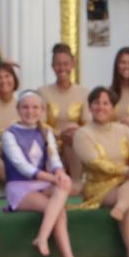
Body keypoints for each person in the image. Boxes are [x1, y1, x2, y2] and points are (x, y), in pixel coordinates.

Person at [1, 91, 89, 257]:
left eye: (35, 107)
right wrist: (53, 178)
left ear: (42, 111)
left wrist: (60, 173)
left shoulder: (45, 132)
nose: (30, 111)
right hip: (19, 186)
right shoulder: (9, 135)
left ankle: (42, 237)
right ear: (18, 109)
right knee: (59, 212)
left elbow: (54, 158)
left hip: (42, 183)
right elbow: (22, 166)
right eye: (25, 107)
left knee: (64, 186)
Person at [74, 86, 129, 257]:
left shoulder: (124, 130)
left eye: (106, 103)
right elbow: (95, 163)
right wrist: (127, 170)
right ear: (90, 107)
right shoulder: (82, 134)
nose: (101, 107)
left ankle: (120, 208)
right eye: (97, 103)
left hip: (127, 183)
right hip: (99, 186)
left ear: (113, 107)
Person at [38, 43, 86, 177]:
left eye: (66, 64)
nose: (62, 68)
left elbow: (88, 124)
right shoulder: (43, 92)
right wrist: (60, 134)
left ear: (73, 64)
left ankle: (76, 181)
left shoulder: (84, 93)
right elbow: (40, 123)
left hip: (75, 144)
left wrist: (74, 132)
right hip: (50, 145)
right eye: (58, 64)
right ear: (52, 66)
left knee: (73, 138)